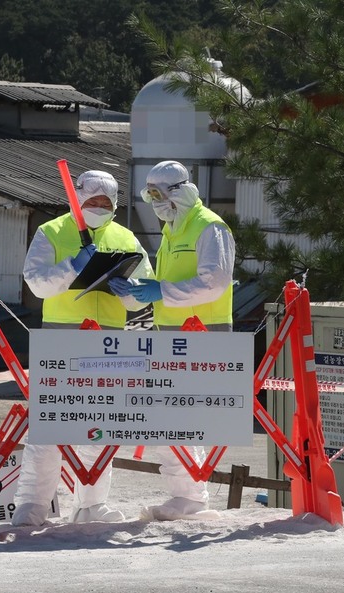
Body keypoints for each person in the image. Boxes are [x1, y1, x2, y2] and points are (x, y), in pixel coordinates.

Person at [11, 169, 154, 527]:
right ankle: (32, 506)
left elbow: (145, 288)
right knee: (49, 426)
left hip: (108, 343)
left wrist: (132, 289)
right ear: (77, 199)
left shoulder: (125, 236)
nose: (100, 208)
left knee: (100, 426)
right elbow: (38, 283)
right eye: (92, 202)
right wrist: (71, 267)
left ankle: (91, 504)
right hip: (61, 340)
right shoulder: (52, 232)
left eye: (106, 203)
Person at [108, 159, 236, 520]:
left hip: (203, 333)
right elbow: (163, 290)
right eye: (152, 197)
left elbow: (215, 283)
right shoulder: (172, 232)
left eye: (162, 195)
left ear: (182, 190)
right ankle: (188, 495)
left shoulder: (209, 227)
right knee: (171, 417)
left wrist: (159, 291)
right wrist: (135, 292)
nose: (158, 204)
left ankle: (192, 496)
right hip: (172, 336)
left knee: (177, 416)